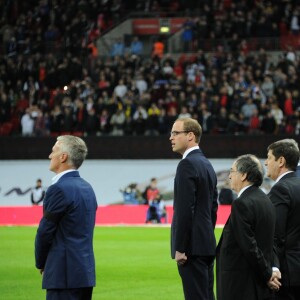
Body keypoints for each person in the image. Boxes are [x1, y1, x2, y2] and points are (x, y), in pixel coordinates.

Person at [35, 135, 98, 300]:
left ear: (63, 157)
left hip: (63, 275)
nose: (50, 155)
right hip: (85, 273)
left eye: (53, 151)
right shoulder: (88, 188)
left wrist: (41, 263)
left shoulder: (58, 189)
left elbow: (45, 231)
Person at [216, 154, 280, 300]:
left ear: (244, 175)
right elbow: (273, 240)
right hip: (257, 285)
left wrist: (268, 274)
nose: (230, 176)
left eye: (232, 171)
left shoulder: (241, 203)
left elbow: (249, 245)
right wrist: (272, 269)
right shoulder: (266, 200)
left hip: (241, 284)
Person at [169, 117, 218, 300]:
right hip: (205, 243)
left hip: (191, 248)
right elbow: (213, 207)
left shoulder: (186, 165)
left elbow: (184, 209)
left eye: (175, 133)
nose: (171, 137)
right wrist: (205, 233)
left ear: (190, 136)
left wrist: (180, 247)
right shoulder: (207, 164)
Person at [265, 139, 300, 300]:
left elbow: (275, 234)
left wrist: (273, 268)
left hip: (288, 274)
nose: (266, 163)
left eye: (269, 157)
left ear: (281, 161)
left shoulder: (281, 189)